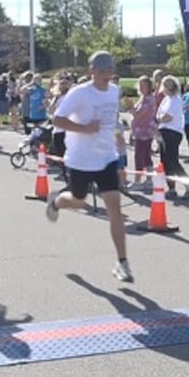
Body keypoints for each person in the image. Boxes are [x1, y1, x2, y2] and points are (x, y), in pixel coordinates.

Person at [45, 51, 134, 282]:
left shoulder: (114, 91)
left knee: (115, 207)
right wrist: (84, 130)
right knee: (78, 201)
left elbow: (111, 119)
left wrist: (119, 142)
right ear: (91, 72)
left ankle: (122, 262)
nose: (107, 75)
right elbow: (57, 120)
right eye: (102, 70)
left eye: (110, 70)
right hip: (80, 159)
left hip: (106, 157)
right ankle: (55, 202)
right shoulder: (79, 93)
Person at [155, 76, 189, 199]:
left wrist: (160, 119)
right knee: (165, 162)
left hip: (172, 132)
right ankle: (171, 188)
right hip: (163, 131)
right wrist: (159, 119)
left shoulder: (176, 100)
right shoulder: (166, 99)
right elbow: (158, 114)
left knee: (173, 161)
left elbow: (168, 117)